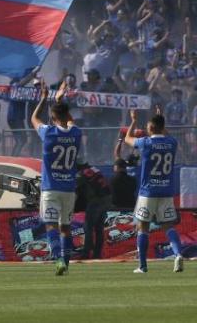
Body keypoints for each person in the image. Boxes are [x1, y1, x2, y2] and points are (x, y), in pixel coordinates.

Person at [30, 80, 81, 276]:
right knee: (65, 227)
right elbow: (70, 122)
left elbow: (34, 118)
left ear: (52, 118)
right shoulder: (76, 133)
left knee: (51, 224)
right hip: (68, 188)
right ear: (68, 115)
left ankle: (58, 259)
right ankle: (66, 264)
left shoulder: (48, 133)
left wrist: (44, 99)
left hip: (51, 187)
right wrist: (60, 99)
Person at [123, 110, 183, 274]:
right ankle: (178, 254)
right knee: (168, 226)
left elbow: (127, 139)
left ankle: (142, 265)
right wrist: (161, 118)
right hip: (166, 191)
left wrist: (133, 121)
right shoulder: (172, 142)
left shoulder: (146, 142)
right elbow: (166, 134)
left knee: (143, 227)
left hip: (148, 192)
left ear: (151, 127)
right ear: (163, 127)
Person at [75, 163, 111, 259]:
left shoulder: (82, 173)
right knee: (99, 229)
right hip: (106, 199)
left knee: (88, 228)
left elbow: (77, 188)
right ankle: (97, 254)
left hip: (95, 200)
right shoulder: (95, 169)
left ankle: (86, 253)